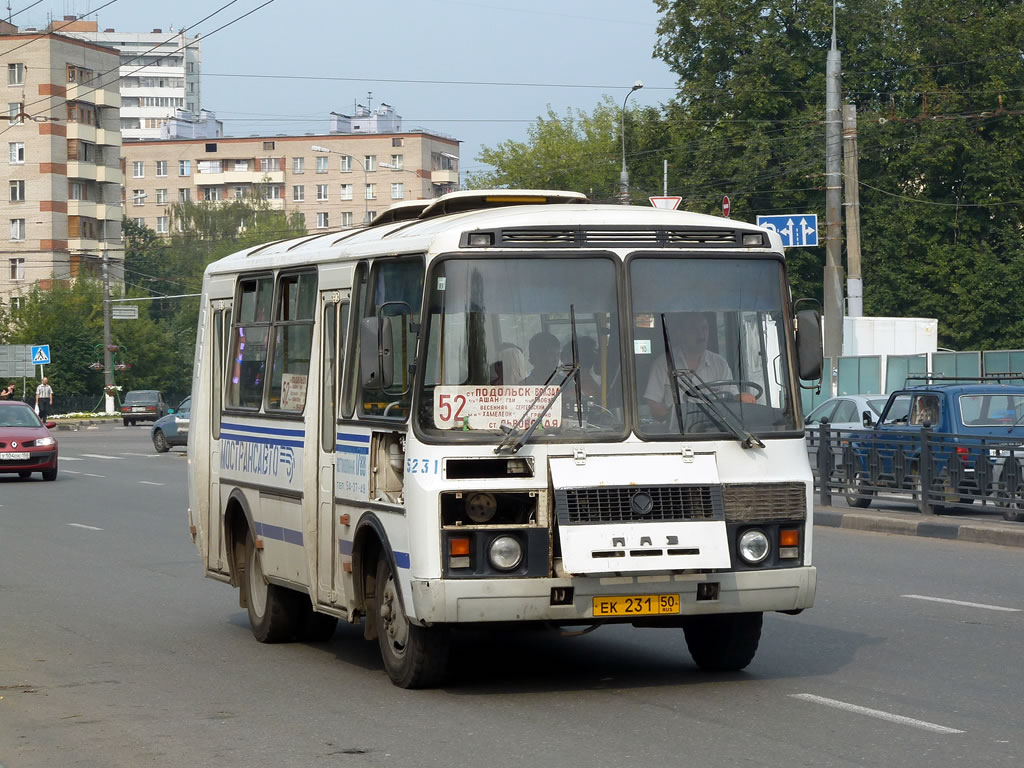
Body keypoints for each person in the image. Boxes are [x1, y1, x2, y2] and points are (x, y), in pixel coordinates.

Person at [644, 312, 747, 421]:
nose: (701, 335)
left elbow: (732, 398)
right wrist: (675, 419)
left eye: (704, 328)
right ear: (681, 333)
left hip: (716, 430)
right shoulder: (663, 364)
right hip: (678, 433)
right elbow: (653, 405)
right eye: (693, 330)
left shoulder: (720, 364)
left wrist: (741, 398)